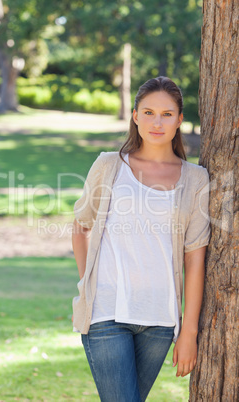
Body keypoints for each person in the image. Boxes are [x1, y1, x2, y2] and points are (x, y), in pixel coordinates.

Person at [71, 76, 211, 402]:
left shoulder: (195, 178)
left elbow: (195, 257)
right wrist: (88, 283)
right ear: (135, 116)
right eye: (148, 112)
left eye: (166, 114)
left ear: (179, 119)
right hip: (107, 313)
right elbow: (81, 226)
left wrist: (188, 331)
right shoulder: (109, 166)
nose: (156, 122)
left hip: (160, 320)